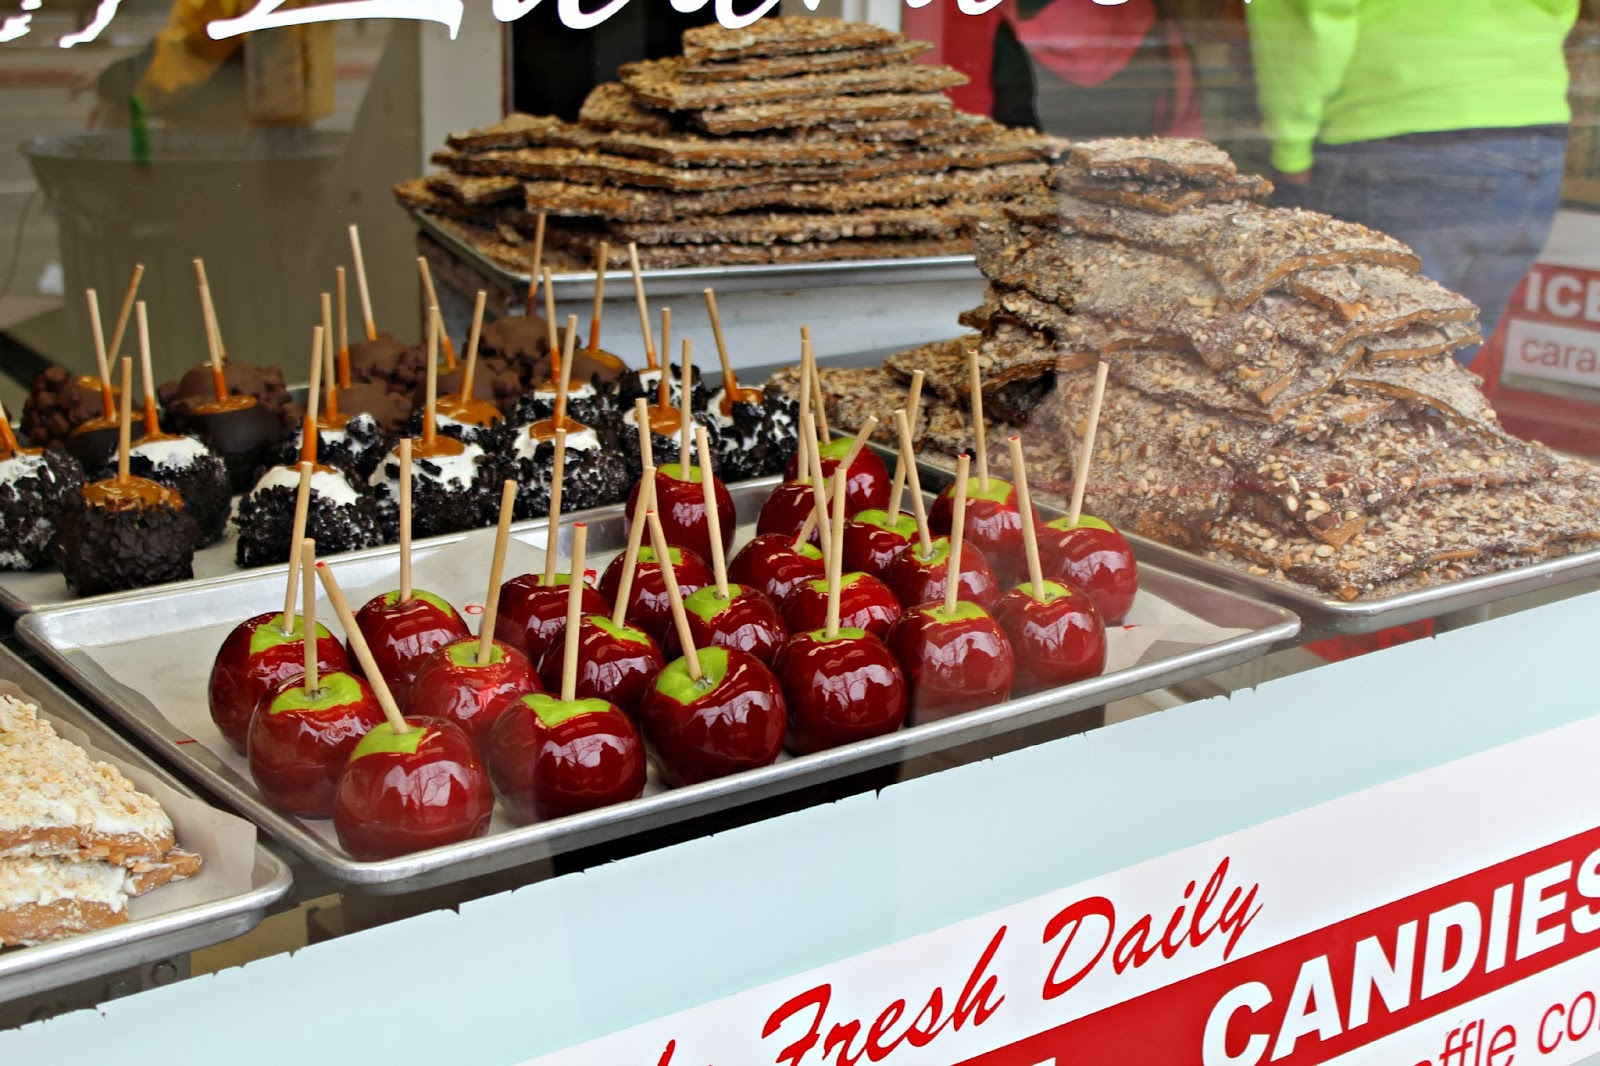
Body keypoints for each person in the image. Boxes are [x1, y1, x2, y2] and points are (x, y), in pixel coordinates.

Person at [1247, 1, 1577, 364]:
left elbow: (1309, 18)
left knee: (1360, 375)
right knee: (1437, 372)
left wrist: (1290, 149)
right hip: (1531, 137)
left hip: (1396, 128)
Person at [988, 0, 1203, 140]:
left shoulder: (998, 25)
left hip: (1030, 194)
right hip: (1141, 191)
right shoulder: (1159, 26)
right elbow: (1184, 124)